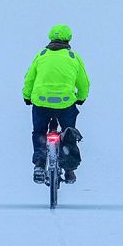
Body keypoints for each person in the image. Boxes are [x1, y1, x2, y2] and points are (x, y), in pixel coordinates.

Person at [22, 24, 90, 184]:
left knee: (39, 132)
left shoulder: (42, 55)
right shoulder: (73, 57)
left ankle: (39, 164)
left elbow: (29, 78)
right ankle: (69, 170)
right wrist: (81, 98)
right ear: (69, 39)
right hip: (65, 103)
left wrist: (27, 96)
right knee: (68, 133)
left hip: (41, 101)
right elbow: (84, 83)